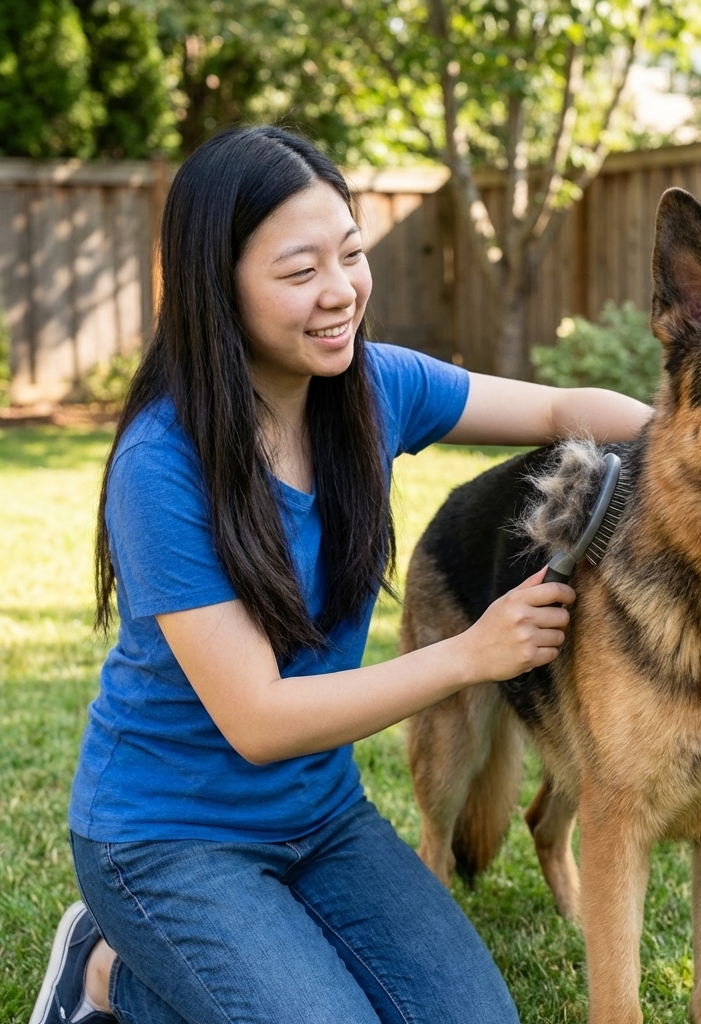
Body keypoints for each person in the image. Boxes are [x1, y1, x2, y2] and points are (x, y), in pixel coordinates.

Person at [29, 125, 651, 1024]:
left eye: (351, 254)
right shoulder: (162, 464)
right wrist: (473, 654)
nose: (340, 292)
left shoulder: (374, 389)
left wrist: (686, 439)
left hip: (321, 819)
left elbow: (558, 408)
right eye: (298, 271)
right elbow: (259, 721)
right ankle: (104, 970)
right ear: (219, 286)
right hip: (166, 837)